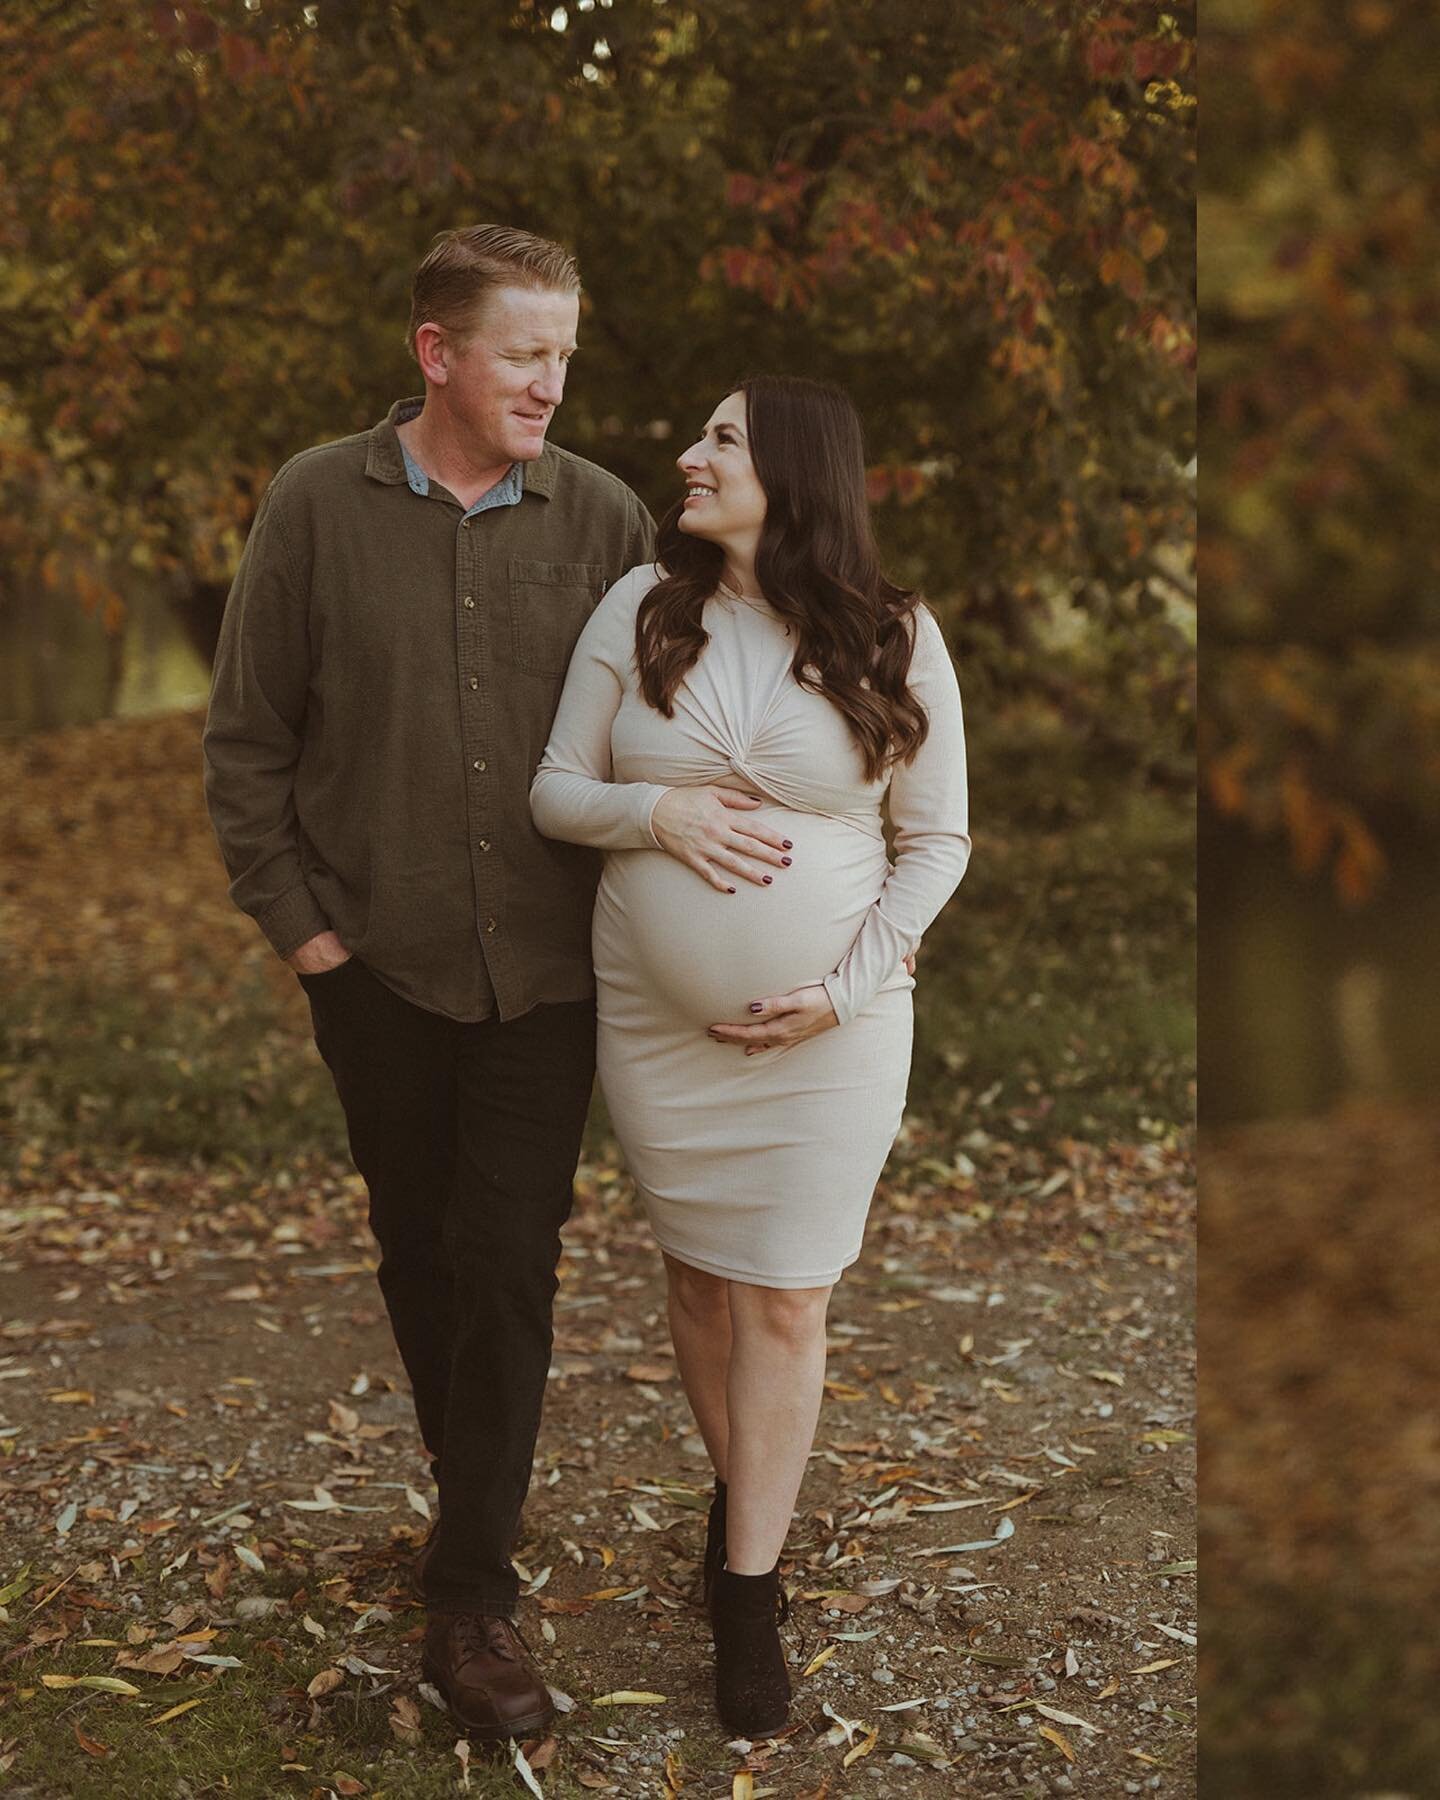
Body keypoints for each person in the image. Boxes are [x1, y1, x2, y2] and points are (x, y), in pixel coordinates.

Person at [202, 225, 719, 1743]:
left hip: (551, 977)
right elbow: (248, 743)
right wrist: (307, 937)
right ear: (438, 353)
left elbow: (684, 711)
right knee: (420, 1253)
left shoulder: (608, 515)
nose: (553, 382)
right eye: (523, 353)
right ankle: (471, 1492)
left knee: (506, 1260)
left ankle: (470, 1594)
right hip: (375, 963)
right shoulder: (314, 502)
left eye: (565, 354)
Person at [530, 374, 971, 1735]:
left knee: (785, 1298)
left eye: (720, 438)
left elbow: (937, 842)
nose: (687, 453)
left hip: (833, 1034)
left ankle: (747, 1590)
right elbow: (555, 791)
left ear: (796, 469)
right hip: (662, 1026)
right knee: (704, 1293)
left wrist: (840, 992)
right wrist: (660, 817)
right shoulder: (644, 610)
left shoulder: (897, 634)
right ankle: (753, 1501)